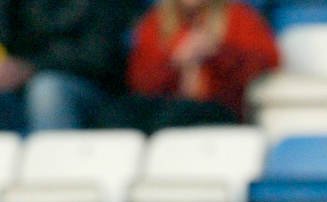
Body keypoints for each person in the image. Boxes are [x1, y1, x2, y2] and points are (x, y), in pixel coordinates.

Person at [125, 0, 280, 127]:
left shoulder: (239, 17)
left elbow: (266, 66)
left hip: (225, 115)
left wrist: (218, 53)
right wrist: (175, 63)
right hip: (167, 117)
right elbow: (140, 85)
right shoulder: (154, 24)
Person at [0, 0, 141, 131]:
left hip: (95, 89)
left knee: (48, 90)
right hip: (21, 87)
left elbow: (97, 57)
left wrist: (31, 67)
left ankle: (54, 157)